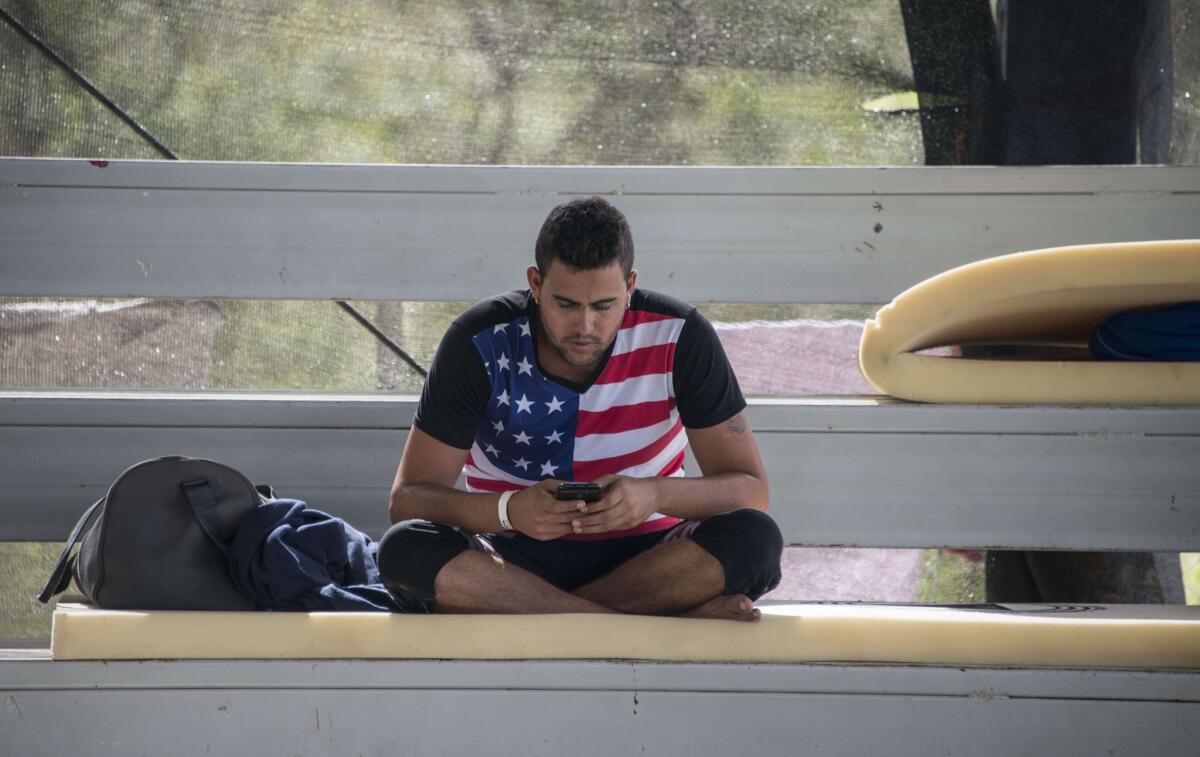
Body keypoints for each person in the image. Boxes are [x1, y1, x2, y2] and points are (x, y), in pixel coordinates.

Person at [378, 197, 782, 621]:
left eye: (604, 306)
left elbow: (752, 491)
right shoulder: (479, 340)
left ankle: (557, 617)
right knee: (405, 550)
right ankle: (647, 619)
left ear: (630, 287)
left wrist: (653, 494)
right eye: (566, 304)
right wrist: (509, 510)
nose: (585, 327)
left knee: (755, 539)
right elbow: (407, 501)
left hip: (651, 560)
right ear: (535, 283)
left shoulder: (681, 335)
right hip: (508, 559)